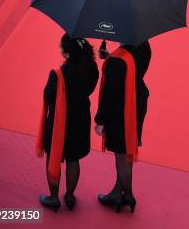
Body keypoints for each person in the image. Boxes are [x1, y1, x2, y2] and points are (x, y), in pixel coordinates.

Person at [36, 34, 99, 211]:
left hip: (58, 122)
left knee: (53, 157)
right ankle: (70, 196)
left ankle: (53, 197)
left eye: (61, 46)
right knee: (73, 159)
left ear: (67, 53)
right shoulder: (92, 68)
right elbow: (91, 87)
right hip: (79, 119)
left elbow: (48, 97)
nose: (59, 48)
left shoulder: (57, 74)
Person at [94, 40, 151, 213]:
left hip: (122, 108)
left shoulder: (117, 61)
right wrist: (110, 57)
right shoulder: (145, 46)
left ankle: (128, 195)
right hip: (137, 101)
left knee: (120, 152)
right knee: (126, 150)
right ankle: (117, 193)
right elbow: (129, 67)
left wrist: (100, 120)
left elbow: (110, 93)